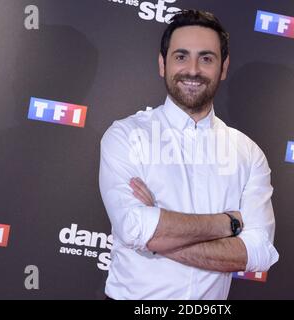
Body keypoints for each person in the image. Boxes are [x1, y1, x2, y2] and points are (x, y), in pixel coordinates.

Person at [99, 9, 279, 300]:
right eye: (181, 56)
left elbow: (257, 252)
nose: (193, 70)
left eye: (206, 58)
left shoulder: (248, 154)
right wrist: (227, 223)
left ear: (223, 67)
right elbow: (134, 229)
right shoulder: (126, 136)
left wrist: (157, 234)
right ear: (162, 64)